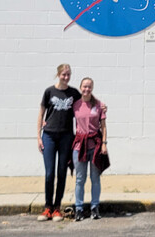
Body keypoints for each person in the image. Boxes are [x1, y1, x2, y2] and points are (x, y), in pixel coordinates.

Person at [37, 64, 80, 221]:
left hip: (66, 137)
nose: (66, 77)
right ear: (58, 74)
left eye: (68, 74)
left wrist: (100, 105)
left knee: (61, 172)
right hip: (49, 136)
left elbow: (86, 103)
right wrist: (38, 136)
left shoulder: (74, 93)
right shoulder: (49, 91)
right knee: (49, 173)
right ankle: (47, 207)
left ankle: (57, 208)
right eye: (63, 74)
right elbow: (41, 113)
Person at [72, 77, 108, 221]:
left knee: (95, 178)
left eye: (89, 87)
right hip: (79, 146)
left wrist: (104, 143)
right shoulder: (75, 105)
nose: (87, 89)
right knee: (80, 179)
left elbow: (103, 126)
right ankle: (79, 208)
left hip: (95, 145)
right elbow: (61, 116)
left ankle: (94, 207)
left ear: (92, 88)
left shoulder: (99, 105)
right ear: (80, 87)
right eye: (84, 86)